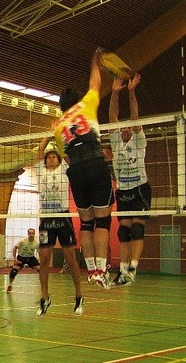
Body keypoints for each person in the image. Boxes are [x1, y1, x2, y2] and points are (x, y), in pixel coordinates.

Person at [53, 48, 114, 289]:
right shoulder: (86, 104)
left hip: (76, 171)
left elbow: (66, 158)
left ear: (61, 107)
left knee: (86, 224)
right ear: (77, 100)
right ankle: (102, 269)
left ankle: (91, 270)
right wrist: (94, 62)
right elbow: (96, 83)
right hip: (95, 164)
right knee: (103, 222)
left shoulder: (57, 126)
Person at [108, 73, 150, 285]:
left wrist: (131, 92)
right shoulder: (116, 142)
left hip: (140, 187)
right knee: (123, 232)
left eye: (127, 128)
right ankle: (123, 271)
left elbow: (134, 117)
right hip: (123, 190)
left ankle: (133, 266)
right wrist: (115, 94)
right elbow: (112, 117)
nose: (124, 129)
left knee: (137, 228)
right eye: (122, 128)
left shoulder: (139, 141)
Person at [35, 137, 83, 316]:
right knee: (44, 258)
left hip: (63, 217)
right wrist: (48, 137)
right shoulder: (41, 170)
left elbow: (67, 155)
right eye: (49, 157)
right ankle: (45, 297)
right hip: (46, 219)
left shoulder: (64, 169)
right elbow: (40, 151)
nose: (51, 158)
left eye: (54, 156)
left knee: (70, 257)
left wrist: (59, 136)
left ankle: (79, 296)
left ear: (59, 159)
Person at [7, 228, 40, 294]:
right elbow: (15, 248)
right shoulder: (23, 241)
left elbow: (39, 252)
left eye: (32, 233)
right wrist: (14, 259)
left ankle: (44, 288)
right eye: (30, 233)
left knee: (41, 271)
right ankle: (10, 286)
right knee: (13, 272)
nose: (31, 234)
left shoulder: (37, 242)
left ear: (34, 234)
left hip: (31, 258)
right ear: (28, 234)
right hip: (21, 257)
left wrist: (40, 260)